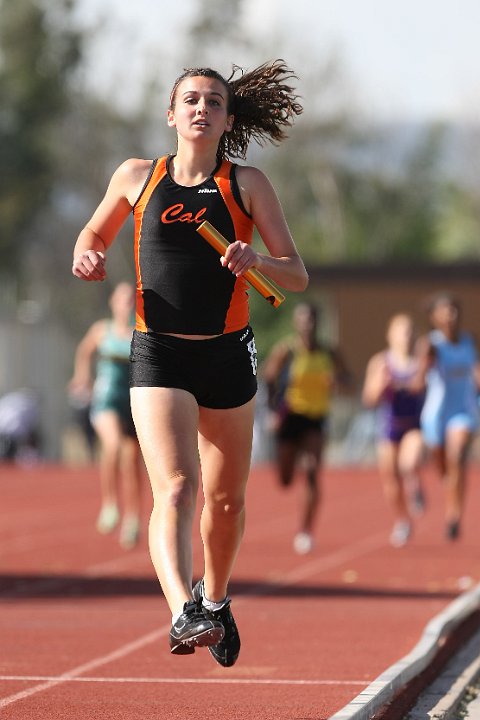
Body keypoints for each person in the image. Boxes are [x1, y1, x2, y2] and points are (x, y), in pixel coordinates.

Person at [71, 60, 308, 665]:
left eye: (214, 102)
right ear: (171, 115)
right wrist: (88, 255)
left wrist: (255, 260)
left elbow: (296, 274)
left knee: (225, 503)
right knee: (176, 488)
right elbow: (92, 235)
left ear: (227, 118)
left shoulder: (247, 184)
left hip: (227, 354)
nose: (202, 109)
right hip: (158, 350)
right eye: (191, 100)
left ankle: (217, 599)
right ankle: (184, 610)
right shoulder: (137, 176)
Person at [262, 302, 350, 554]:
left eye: (311, 319)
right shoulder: (286, 351)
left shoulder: (329, 353)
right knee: (286, 478)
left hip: (315, 418)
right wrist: (272, 412)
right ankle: (287, 471)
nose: (307, 324)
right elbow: (269, 377)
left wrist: (338, 380)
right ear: (296, 323)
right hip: (290, 417)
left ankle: (305, 530)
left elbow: (348, 379)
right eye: (303, 319)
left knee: (311, 471)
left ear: (317, 322)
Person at [68, 282, 144, 550]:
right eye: (122, 298)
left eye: (130, 299)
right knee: (112, 446)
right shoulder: (102, 330)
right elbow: (84, 350)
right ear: (113, 302)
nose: (127, 303)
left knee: (132, 460)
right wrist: (81, 375)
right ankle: (110, 503)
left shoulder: (139, 334)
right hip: (106, 400)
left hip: (133, 403)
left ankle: (133, 519)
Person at [416, 293, 480, 541]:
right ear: (435, 317)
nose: (450, 316)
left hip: (462, 412)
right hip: (436, 415)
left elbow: (477, 372)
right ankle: (447, 494)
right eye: (445, 311)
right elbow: (419, 379)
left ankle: (453, 515)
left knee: (458, 456)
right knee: (445, 472)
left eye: (454, 310)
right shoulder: (431, 344)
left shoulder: (468, 342)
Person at [362, 313, 426, 548]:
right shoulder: (381, 363)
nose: (406, 336)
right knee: (390, 481)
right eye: (402, 331)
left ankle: (415, 484)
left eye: (410, 331)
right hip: (389, 428)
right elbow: (368, 399)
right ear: (391, 335)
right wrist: (381, 385)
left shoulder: (421, 363)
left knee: (408, 463)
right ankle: (402, 520)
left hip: (414, 426)